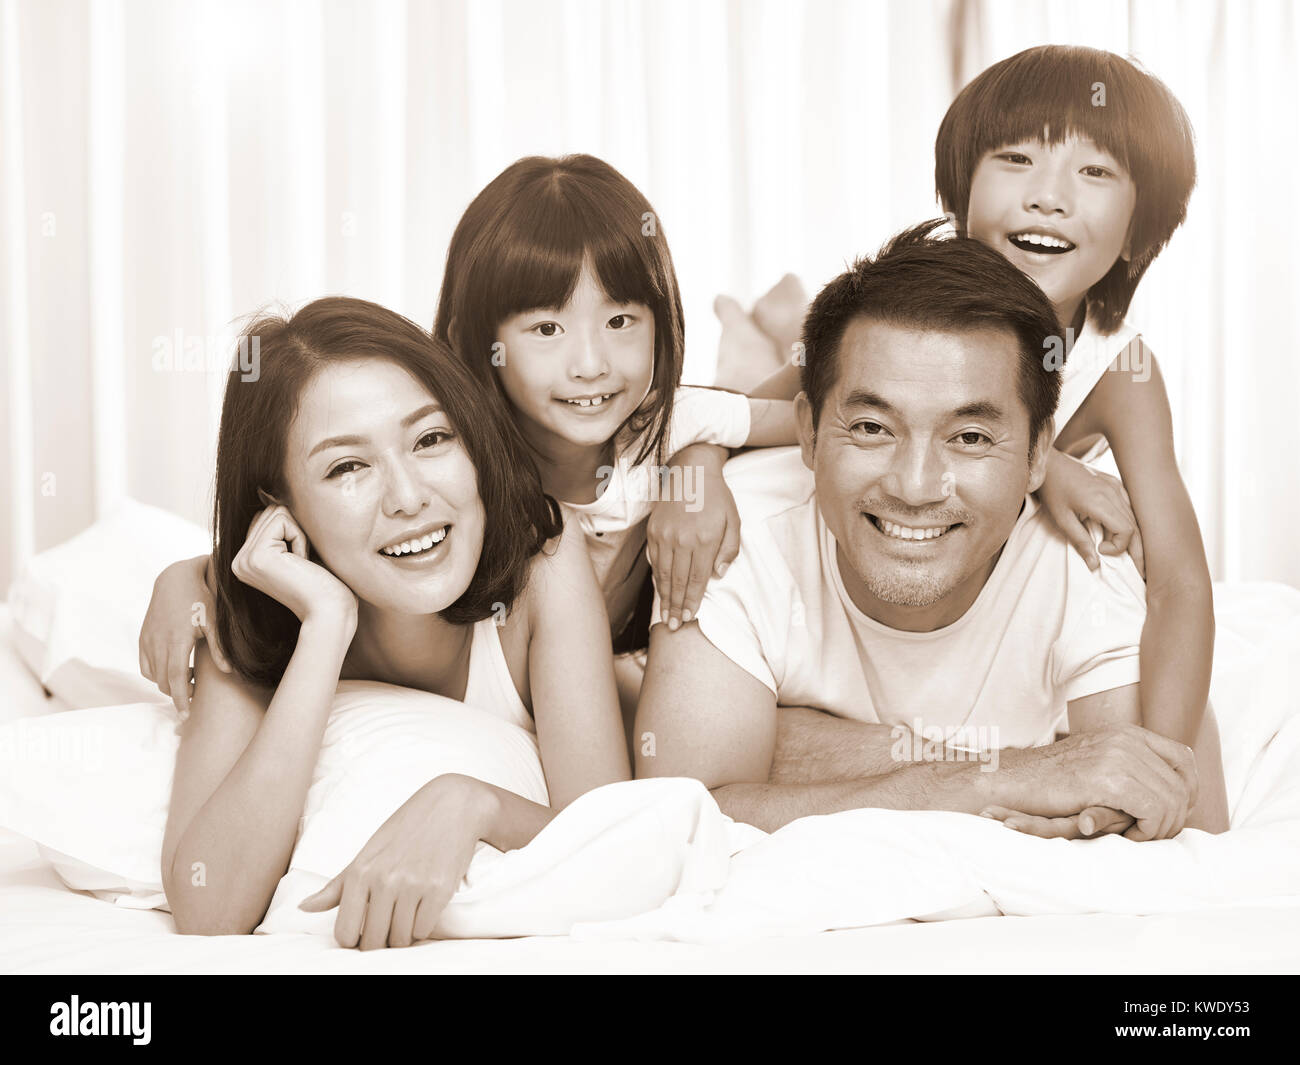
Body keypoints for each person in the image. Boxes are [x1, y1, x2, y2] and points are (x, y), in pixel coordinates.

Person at [143, 155, 799, 745]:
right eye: (547, 327)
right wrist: (185, 578)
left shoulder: (668, 418)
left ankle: (762, 332)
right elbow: (330, 533)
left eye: (621, 320)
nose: (591, 364)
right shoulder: (452, 457)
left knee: (748, 389)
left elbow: (814, 406)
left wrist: (700, 459)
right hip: (566, 660)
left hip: (614, 642)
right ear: (471, 339)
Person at [741, 47, 1219, 814]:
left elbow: (1181, 582)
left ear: (1136, 232)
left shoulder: (1119, 370)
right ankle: (769, 318)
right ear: (961, 195)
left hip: (996, 550)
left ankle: (766, 316)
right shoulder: (906, 320)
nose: (1048, 198)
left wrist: (1160, 763)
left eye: (1094, 173)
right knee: (793, 352)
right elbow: (745, 413)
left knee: (1200, 761)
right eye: (1017, 158)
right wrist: (1054, 467)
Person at [636, 221, 1227, 839]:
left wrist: (794, 748)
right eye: (871, 428)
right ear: (807, 432)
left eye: (969, 437)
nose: (915, 488)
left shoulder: (1088, 559)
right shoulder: (727, 533)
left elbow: (1166, 816)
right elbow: (683, 816)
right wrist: (1001, 775)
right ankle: (758, 330)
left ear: (1037, 456)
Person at [159, 297, 629, 949]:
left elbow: (614, 844)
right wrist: (326, 625)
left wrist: (473, 802)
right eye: (347, 467)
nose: (408, 497)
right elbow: (208, 905)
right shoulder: (249, 616)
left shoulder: (542, 558)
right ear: (281, 506)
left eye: (431, 438)